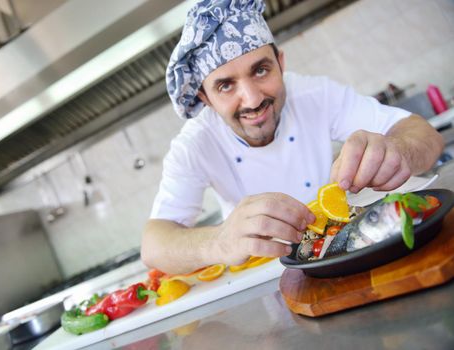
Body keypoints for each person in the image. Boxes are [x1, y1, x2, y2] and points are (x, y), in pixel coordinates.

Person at [141, 0, 444, 274]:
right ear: (204, 98)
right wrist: (219, 242)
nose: (252, 99)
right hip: (258, 277)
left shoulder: (316, 95)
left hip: (337, 253)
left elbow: (424, 134)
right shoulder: (194, 144)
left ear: (281, 63)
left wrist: (397, 151)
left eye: (261, 70)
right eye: (225, 86)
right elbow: (154, 246)